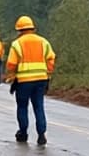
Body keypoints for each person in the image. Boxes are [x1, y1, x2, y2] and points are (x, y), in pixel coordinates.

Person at [5, 15, 56, 145]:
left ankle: (23, 133)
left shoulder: (17, 44)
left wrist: (12, 76)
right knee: (39, 106)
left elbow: (11, 63)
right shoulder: (43, 42)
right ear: (32, 28)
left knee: (22, 107)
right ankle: (41, 134)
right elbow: (51, 58)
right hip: (41, 79)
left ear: (19, 30)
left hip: (24, 81)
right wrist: (48, 73)